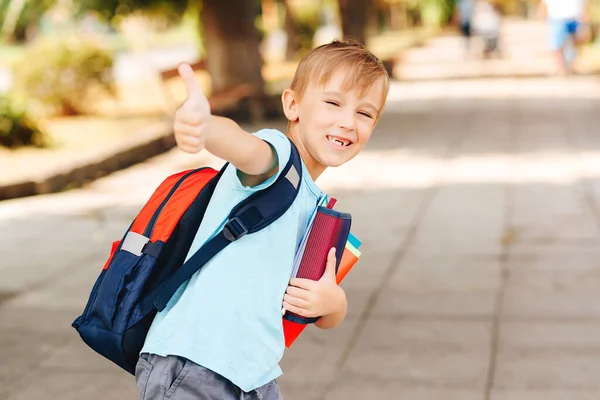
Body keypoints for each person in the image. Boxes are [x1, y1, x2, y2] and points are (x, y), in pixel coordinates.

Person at [135, 39, 390, 400]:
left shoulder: (316, 204)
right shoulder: (278, 159)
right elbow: (245, 147)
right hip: (197, 363)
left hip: (253, 376)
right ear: (292, 104)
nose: (348, 122)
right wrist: (205, 125)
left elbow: (318, 310)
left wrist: (334, 303)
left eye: (365, 113)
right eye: (333, 102)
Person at [539, 0, 588, 74]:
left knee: (575, 43)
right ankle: (561, 67)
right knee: (557, 45)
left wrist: (585, 20)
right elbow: (544, 3)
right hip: (557, 17)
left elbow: (583, 4)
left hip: (575, 17)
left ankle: (571, 65)